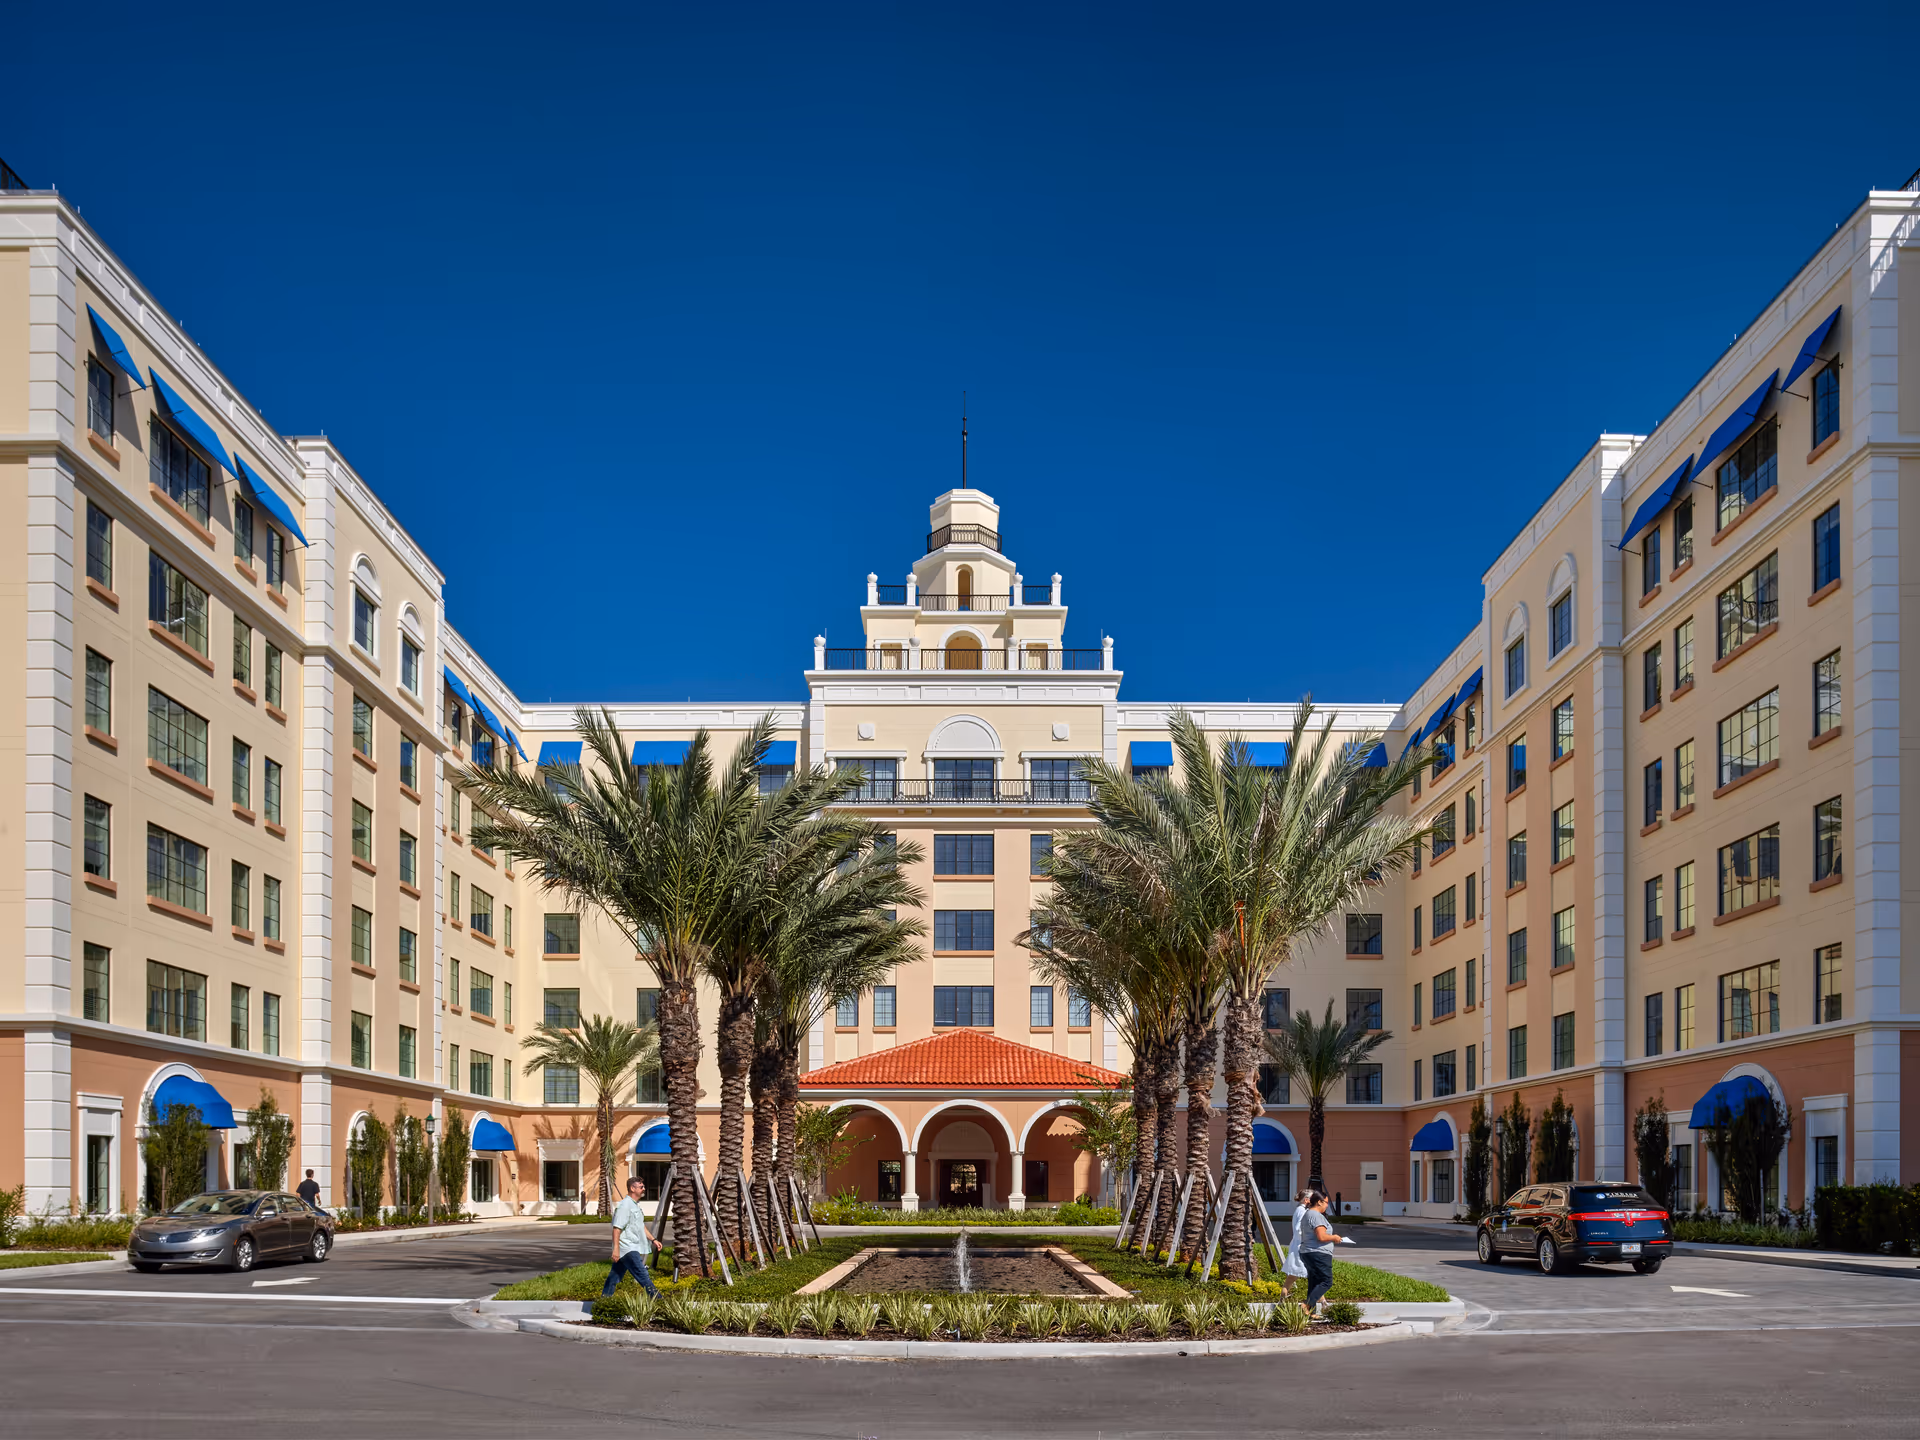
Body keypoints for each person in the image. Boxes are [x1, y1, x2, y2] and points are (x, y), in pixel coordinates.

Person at [601, 1176, 661, 1299]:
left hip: (630, 1247)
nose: (644, 1189)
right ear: (632, 1188)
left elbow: (640, 1226)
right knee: (643, 1276)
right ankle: (659, 1301)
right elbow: (617, 1228)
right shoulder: (625, 1206)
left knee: (614, 1276)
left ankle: (604, 1301)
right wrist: (616, 1249)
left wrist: (653, 1239)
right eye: (641, 1187)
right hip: (627, 1248)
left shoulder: (634, 1205)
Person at [1297, 1189, 1352, 1316]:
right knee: (1326, 1281)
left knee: (1314, 1281)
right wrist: (1335, 1237)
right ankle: (1306, 1305)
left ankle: (1309, 1312)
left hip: (1308, 1252)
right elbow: (1321, 1236)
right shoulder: (1316, 1216)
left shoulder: (1307, 1214)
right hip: (1318, 1253)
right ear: (1319, 1202)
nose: (1327, 1205)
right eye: (1326, 1202)